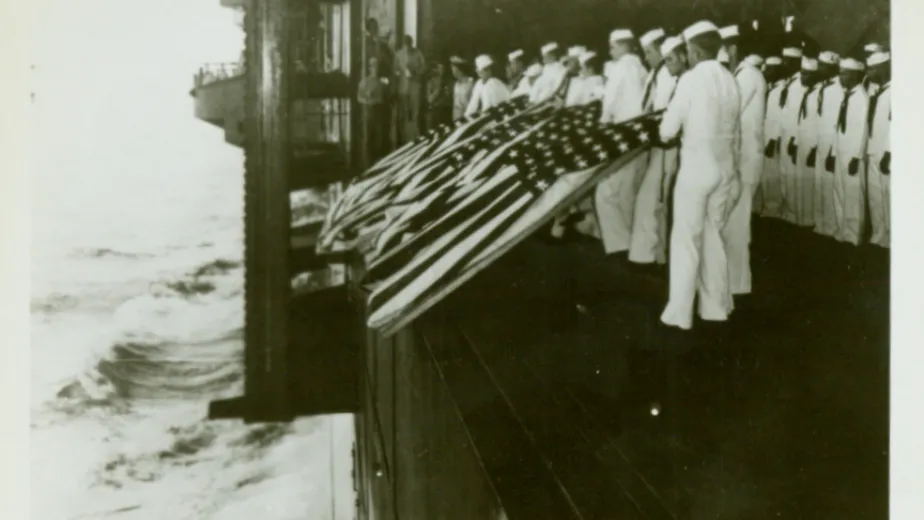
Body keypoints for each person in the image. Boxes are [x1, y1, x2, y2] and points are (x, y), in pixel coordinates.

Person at [659, 20, 741, 331]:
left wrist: (663, 130)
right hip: (725, 168)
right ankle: (715, 308)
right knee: (713, 237)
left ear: (693, 52)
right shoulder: (730, 79)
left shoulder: (691, 80)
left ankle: (679, 314)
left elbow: (668, 130)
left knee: (686, 240)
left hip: (696, 168)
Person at [628, 28, 678, 268]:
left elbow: (663, 109)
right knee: (655, 199)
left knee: (653, 199)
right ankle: (656, 255)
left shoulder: (668, 75)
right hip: (655, 143)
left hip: (667, 144)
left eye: (648, 52)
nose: (646, 57)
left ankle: (649, 256)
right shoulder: (654, 74)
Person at [596, 28, 648, 258]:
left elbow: (610, 100)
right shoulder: (641, 68)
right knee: (630, 191)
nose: (610, 52)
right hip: (642, 135)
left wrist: (603, 122)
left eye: (612, 47)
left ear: (622, 45)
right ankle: (633, 245)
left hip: (623, 135)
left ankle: (621, 245)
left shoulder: (620, 68)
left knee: (607, 192)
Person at [722, 40, 767, 297]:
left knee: (737, 224)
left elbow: (729, 110)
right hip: (738, 159)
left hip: (746, 159)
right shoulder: (739, 75)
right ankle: (730, 280)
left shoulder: (748, 75)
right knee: (731, 222)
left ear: (733, 49)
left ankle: (737, 285)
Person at [831, 57, 870, 245]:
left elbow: (863, 130)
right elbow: (838, 126)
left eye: (844, 74)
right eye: (840, 73)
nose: (841, 77)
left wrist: (857, 156)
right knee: (839, 191)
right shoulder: (846, 96)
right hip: (841, 149)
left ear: (854, 75)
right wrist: (833, 151)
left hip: (853, 153)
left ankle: (854, 234)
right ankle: (842, 230)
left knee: (854, 194)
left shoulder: (862, 97)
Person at [778, 57, 816, 224]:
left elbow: (799, 118)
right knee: (786, 175)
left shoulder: (804, 89)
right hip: (786, 133)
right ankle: (789, 212)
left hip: (797, 136)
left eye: (788, 61)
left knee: (796, 179)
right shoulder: (791, 83)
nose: (784, 64)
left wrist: (794, 139)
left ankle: (797, 214)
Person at [811, 50, 842, 236]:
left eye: (822, 66)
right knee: (820, 184)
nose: (819, 69)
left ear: (832, 68)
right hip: (820, 141)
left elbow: (838, 123)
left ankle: (831, 226)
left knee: (830, 186)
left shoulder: (839, 90)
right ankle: (821, 225)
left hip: (831, 143)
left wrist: (832, 151)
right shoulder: (822, 87)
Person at [792, 57, 823, 227]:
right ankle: (801, 218)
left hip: (812, 144)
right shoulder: (806, 92)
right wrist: (796, 141)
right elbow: (801, 120)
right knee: (801, 182)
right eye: (802, 73)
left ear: (815, 75)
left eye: (807, 74)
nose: (802, 77)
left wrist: (814, 148)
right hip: (802, 141)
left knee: (810, 184)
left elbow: (820, 123)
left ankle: (811, 220)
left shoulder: (820, 93)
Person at [865, 51, 891, 248]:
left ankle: (892, 238)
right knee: (875, 196)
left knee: (888, 195)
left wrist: (889, 153)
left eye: (873, 69)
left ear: (883, 69)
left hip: (886, 153)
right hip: (873, 149)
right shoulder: (877, 91)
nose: (869, 73)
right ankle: (878, 234)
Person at [758, 56, 786, 218]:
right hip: (765, 134)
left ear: (776, 70)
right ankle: (766, 206)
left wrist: (773, 139)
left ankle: (774, 208)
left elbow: (781, 117)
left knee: (773, 174)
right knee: (766, 174)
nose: (765, 72)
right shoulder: (770, 88)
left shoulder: (782, 90)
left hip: (772, 139)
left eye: (769, 69)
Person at [358, 56, 391, 167]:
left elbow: (386, 97)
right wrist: (367, 101)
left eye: (377, 66)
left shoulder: (382, 82)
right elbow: (359, 97)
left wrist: (378, 100)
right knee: (368, 138)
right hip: (368, 113)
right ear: (369, 67)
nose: (375, 68)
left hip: (379, 113)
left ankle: (378, 162)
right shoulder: (364, 82)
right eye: (373, 66)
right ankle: (367, 163)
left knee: (379, 137)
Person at [395, 35, 426, 144]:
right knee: (404, 114)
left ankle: (415, 138)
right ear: (403, 45)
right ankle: (404, 139)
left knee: (415, 114)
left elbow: (423, 67)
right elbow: (395, 70)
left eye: (409, 44)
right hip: (403, 88)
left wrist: (415, 72)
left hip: (415, 87)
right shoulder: (398, 54)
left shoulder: (418, 53)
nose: (407, 47)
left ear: (412, 43)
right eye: (405, 45)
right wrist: (400, 73)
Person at [426, 62, 452, 131]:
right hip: (434, 110)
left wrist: (446, 93)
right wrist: (437, 91)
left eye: (443, 69)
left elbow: (448, 96)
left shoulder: (446, 81)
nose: (441, 71)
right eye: (439, 68)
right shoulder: (431, 81)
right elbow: (429, 99)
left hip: (445, 110)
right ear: (436, 69)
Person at [450, 56, 475, 120]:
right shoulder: (456, 85)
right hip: (457, 119)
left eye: (453, 67)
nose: (452, 70)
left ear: (459, 69)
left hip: (468, 118)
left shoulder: (470, 83)